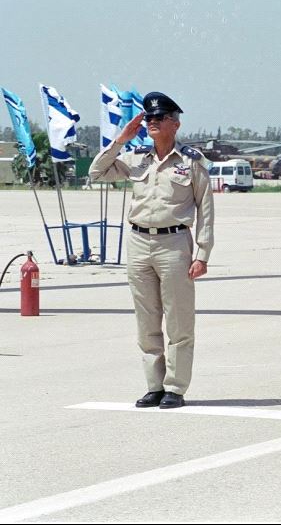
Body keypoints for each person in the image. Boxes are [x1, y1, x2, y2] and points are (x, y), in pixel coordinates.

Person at [89, 92, 214, 409]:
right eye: (148, 119)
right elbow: (96, 172)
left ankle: (175, 387)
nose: (152, 123)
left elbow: (206, 211)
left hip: (174, 244)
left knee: (178, 321)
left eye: (159, 118)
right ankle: (154, 386)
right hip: (139, 243)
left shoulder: (191, 162)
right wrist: (120, 140)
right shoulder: (136, 157)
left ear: (175, 123)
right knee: (146, 322)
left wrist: (202, 254)